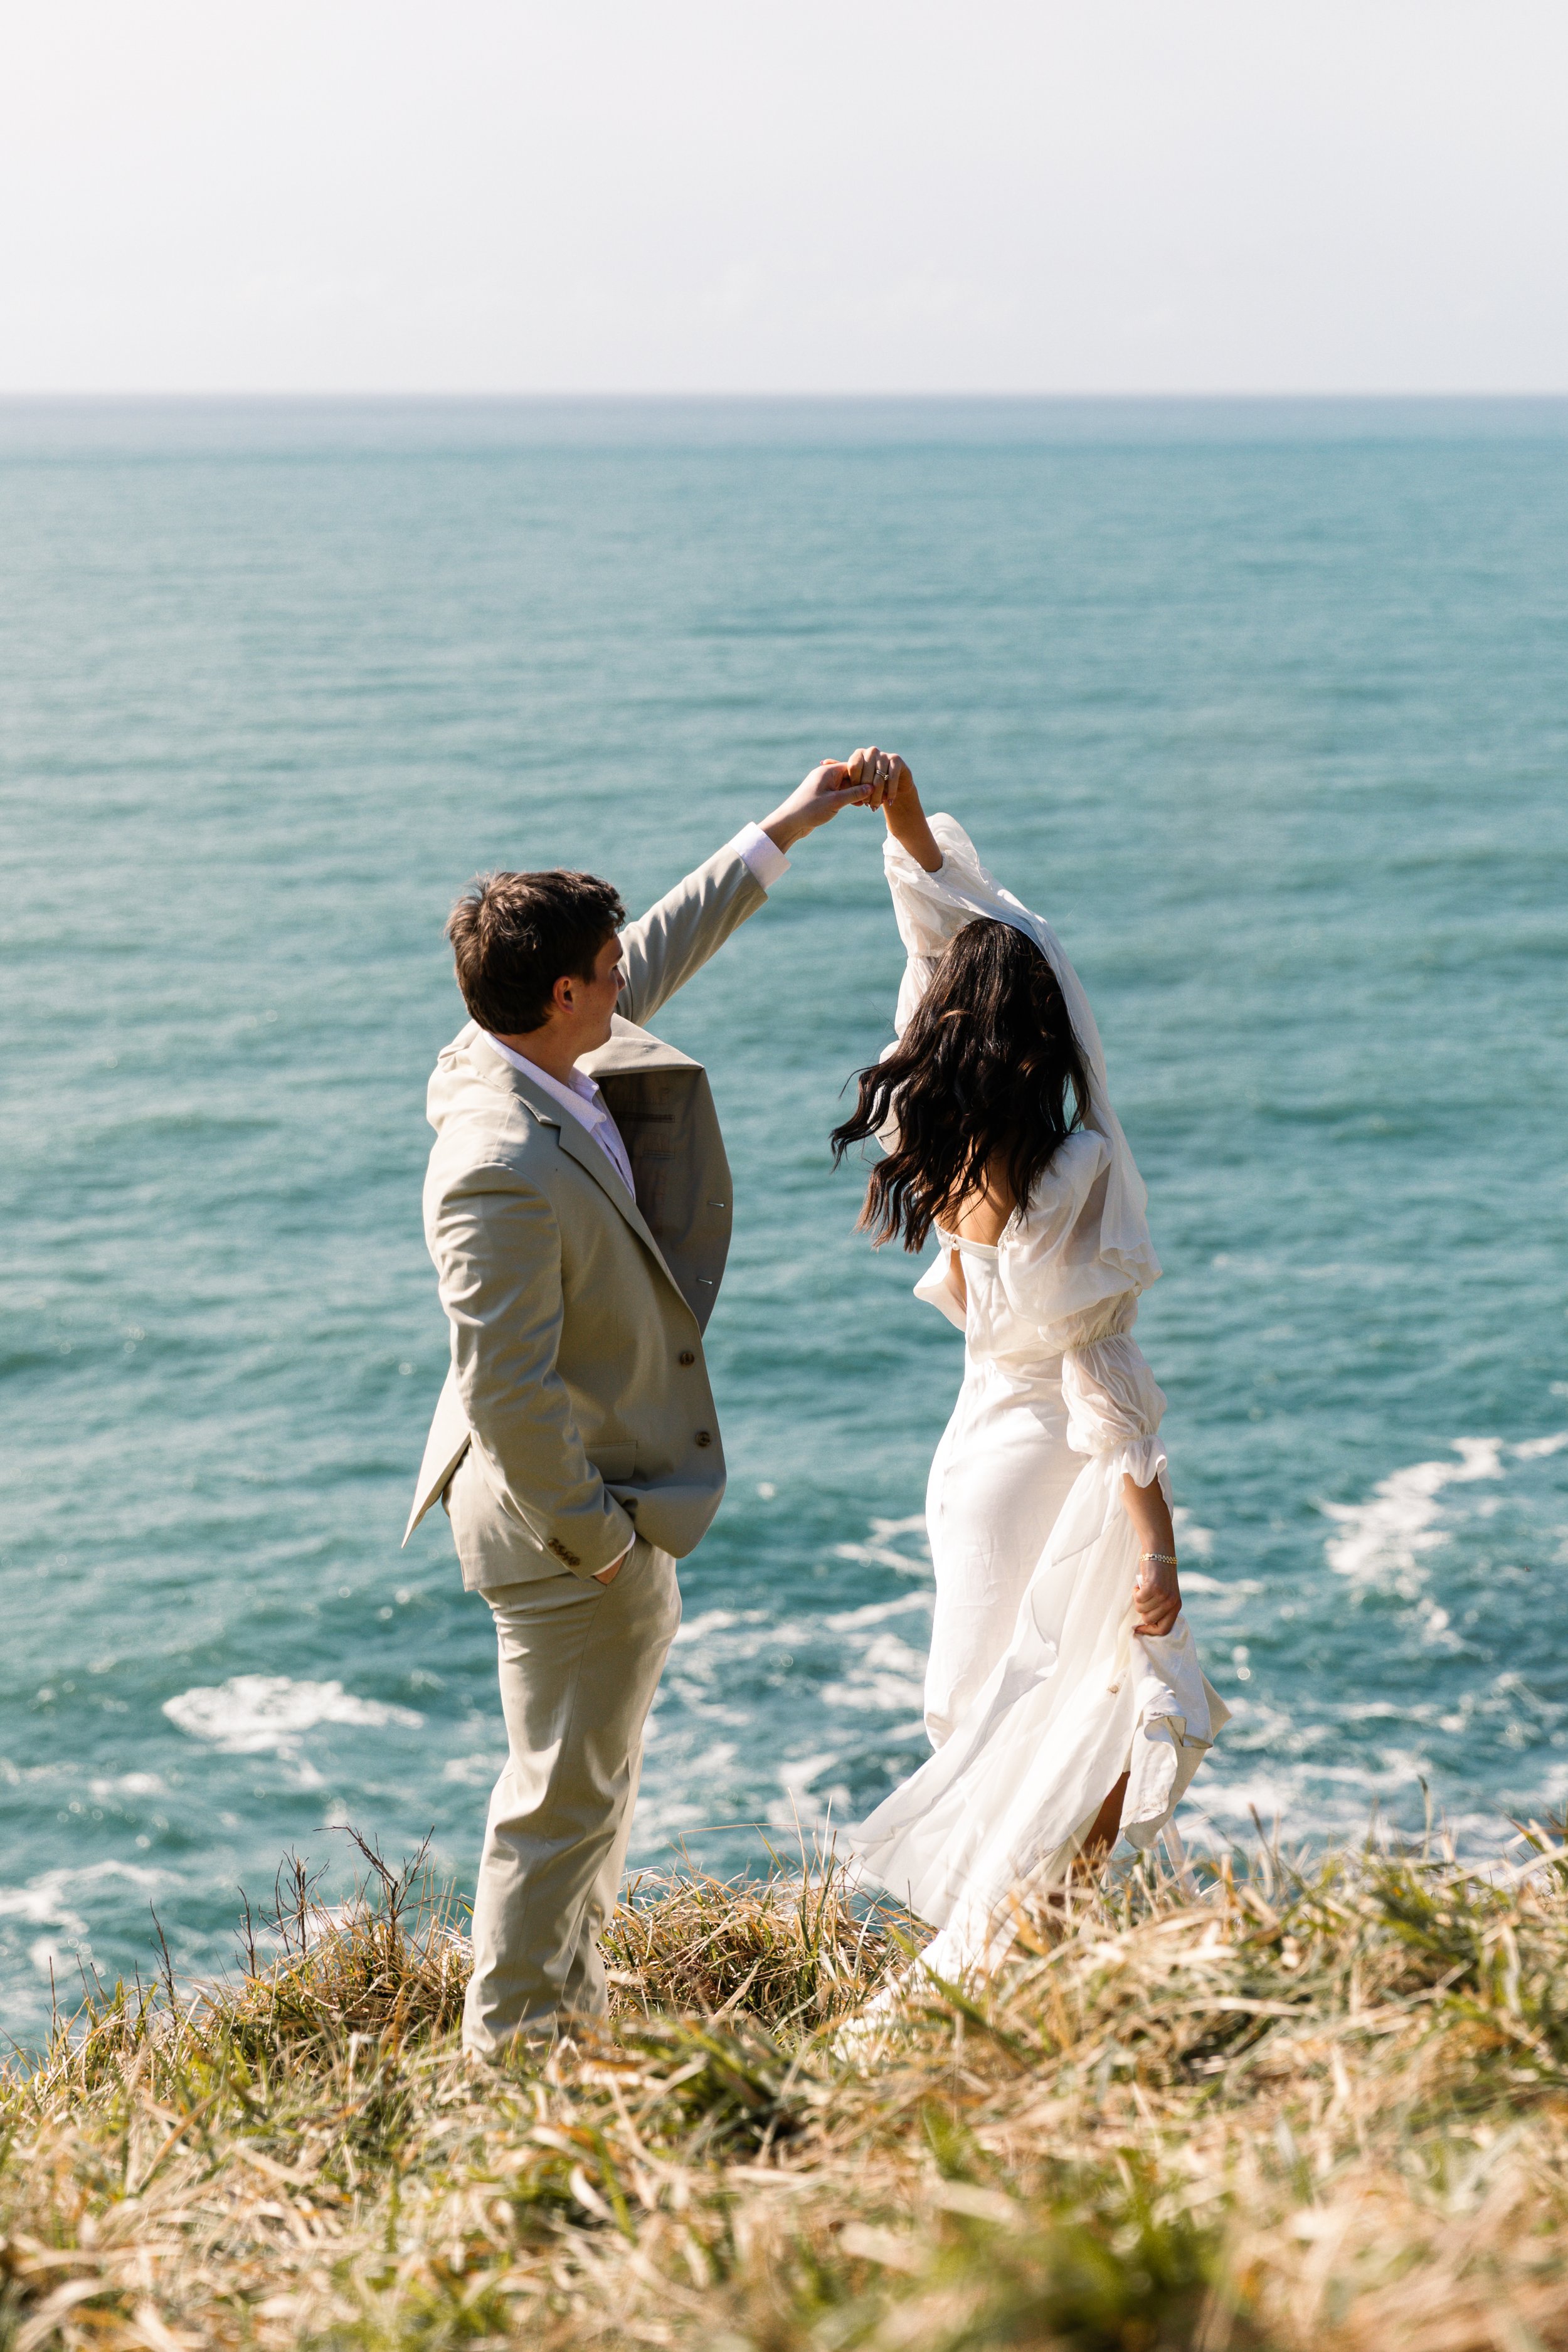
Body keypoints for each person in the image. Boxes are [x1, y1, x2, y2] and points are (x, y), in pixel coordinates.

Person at [405, 752, 900, 2057]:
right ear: (564, 994)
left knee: (591, 1799)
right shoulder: (494, 1164)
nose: (628, 975)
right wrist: (604, 1543)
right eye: (606, 968)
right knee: (556, 1810)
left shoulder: (531, 1044)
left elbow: (664, 940)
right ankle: (513, 2076)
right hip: (569, 1528)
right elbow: (506, 1392)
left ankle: (572, 2043)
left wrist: (787, 824)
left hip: (609, 1501)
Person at [830, 756, 1227, 1984]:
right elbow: (1101, 1378)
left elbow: (937, 948)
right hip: (1056, 1457)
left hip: (972, 1464)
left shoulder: (933, 1139)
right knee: (1112, 1711)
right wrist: (1157, 1546)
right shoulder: (1067, 1176)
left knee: (1004, 1724)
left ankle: (1002, 1959)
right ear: (1034, 1041)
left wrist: (906, 825)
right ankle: (1019, 1961)